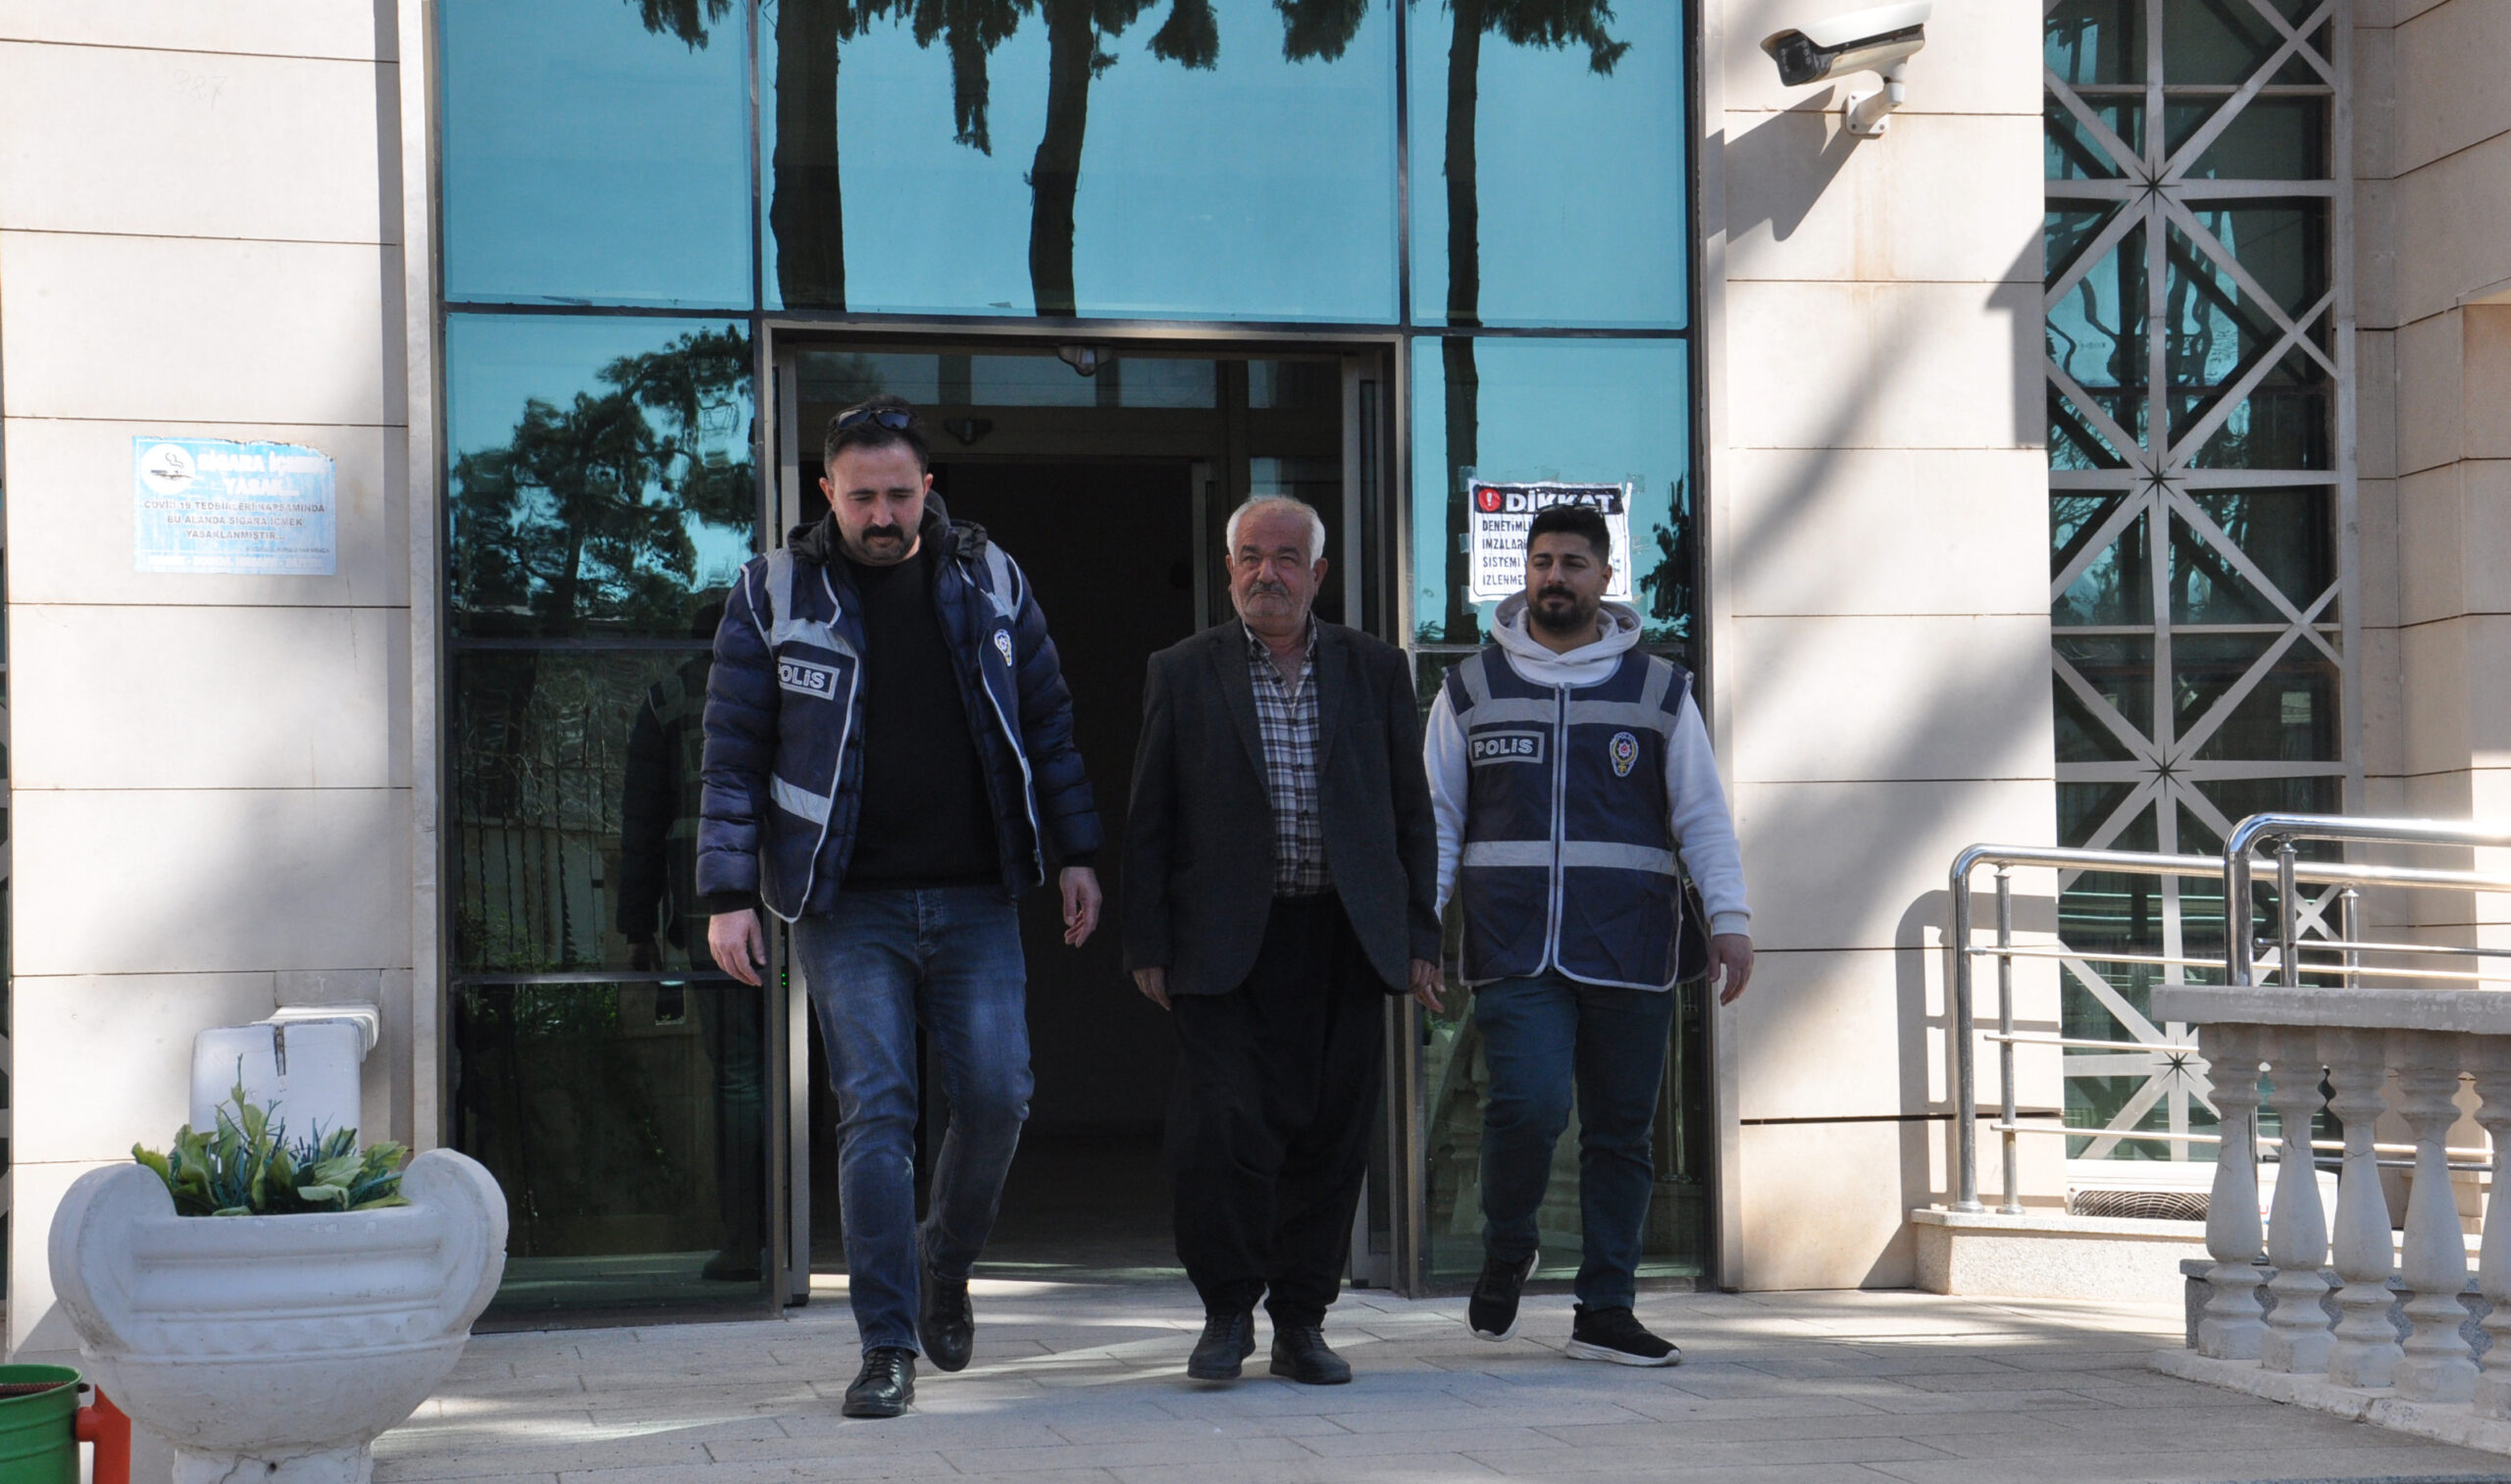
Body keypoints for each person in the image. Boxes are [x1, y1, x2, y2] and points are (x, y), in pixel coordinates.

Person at [697, 394, 1104, 1418]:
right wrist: (727, 893)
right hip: (844, 905)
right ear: (826, 492)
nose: (881, 515)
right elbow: (733, 754)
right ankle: (886, 1344)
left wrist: (1078, 853)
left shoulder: (991, 577)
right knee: (877, 1111)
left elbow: (1049, 723)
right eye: (860, 497)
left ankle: (943, 1262)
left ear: (927, 487)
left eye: (897, 494)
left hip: (976, 895)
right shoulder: (771, 591)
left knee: (999, 1096)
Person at [1123, 494, 1443, 1387]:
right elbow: (1149, 817)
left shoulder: (1377, 669)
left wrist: (1419, 933)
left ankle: (1302, 1321)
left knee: (1331, 1139)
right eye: (1252, 557)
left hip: (1345, 938)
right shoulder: (1182, 671)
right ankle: (1227, 1311)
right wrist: (1147, 940)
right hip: (1225, 946)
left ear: (1318, 573)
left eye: (1288, 557)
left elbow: (1411, 814)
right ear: (1229, 570)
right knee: (1220, 1133)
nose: (1269, 573)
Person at [1423, 502, 1753, 1367]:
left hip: (1631, 947)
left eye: (1573, 562)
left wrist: (1730, 919)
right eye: (1541, 562)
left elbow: (1703, 816)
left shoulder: (1659, 689)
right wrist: (1422, 927)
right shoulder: (1471, 688)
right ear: (1524, 572)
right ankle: (1508, 1244)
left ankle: (1606, 1308)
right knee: (1526, 1104)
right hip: (1512, 945)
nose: (1554, 577)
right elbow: (1438, 821)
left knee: (1620, 1134)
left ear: (1606, 577)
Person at [617, 598, 765, 1286]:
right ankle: (815, 1236)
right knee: (823, 1074)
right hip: (799, 913)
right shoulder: (791, 679)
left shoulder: (668, 698)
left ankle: (746, 1244)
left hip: (711, 917)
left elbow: (641, 824)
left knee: (739, 1077)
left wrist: (639, 930)